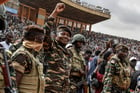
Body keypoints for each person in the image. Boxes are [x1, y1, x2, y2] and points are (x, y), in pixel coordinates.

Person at [43, 3, 72, 93]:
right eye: (63, 34)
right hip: (48, 89)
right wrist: (55, 12)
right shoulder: (51, 46)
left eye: (68, 35)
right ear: (56, 35)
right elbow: (45, 31)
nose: (66, 37)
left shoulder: (69, 53)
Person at [11, 25, 45, 93]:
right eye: (41, 39)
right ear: (36, 39)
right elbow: (14, 83)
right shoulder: (22, 55)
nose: (42, 43)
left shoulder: (33, 55)